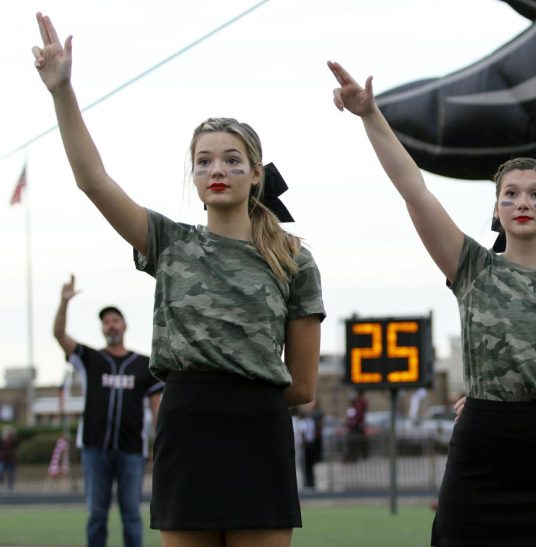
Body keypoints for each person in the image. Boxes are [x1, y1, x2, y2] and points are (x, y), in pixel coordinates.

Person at [34, 13, 324, 547]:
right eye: (204, 160)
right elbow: (92, 181)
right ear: (193, 173)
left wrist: (243, 400)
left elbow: (303, 386)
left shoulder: (294, 259)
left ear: (256, 173)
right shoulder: (169, 241)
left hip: (259, 432)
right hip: (186, 427)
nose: (218, 169)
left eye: (233, 160)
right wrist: (62, 92)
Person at [329, 61, 536, 547]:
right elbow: (413, 190)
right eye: (511, 194)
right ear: (498, 209)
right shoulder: (473, 267)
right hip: (482, 444)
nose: (523, 202)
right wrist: (370, 115)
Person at [53, 276, 162, 547]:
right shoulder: (90, 359)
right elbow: (59, 336)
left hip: (131, 451)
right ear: (102, 328)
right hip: (94, 449)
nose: (111, 324)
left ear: (124, 325)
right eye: (106, 321)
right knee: (96, 515)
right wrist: (64, 303)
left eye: (115, 320)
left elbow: (157, 411)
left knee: (132, 516)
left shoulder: (143, 365)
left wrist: (158, 446)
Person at [299, 400, 323, 490]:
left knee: (309, 464)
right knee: (306, 465)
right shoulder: (307, 422)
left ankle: (310, 482)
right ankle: (308, 482)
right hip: (307, 445)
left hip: (309, 445)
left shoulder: (310, 421)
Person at [344, 389, 368, 462]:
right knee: (352, 443)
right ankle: (352, 456)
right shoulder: (354, 407)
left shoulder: (360, 404)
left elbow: (357, 417)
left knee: (355, 442)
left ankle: (356, 456)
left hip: (356, 428)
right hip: (353, 428)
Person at [0, 425, 19, 491]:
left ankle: (10, 486)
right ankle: (1, 484)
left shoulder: (14, 442)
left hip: (11, 460)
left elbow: (16, 449)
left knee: (11, 473)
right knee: (1, 471)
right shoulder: (2, 441)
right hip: (2, 460)